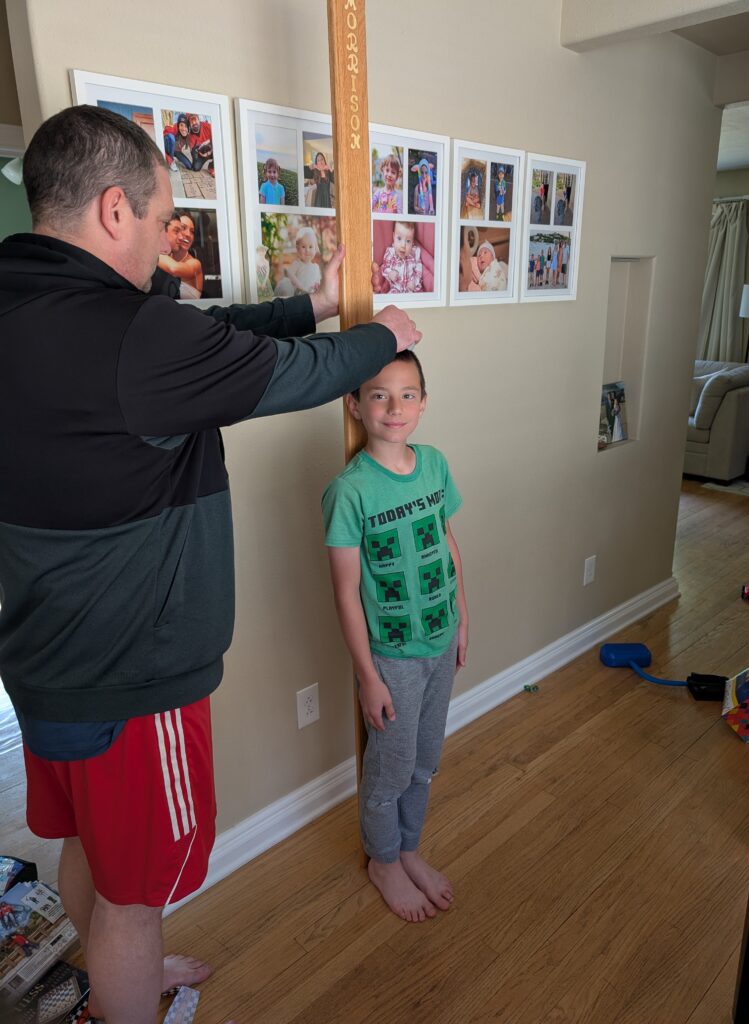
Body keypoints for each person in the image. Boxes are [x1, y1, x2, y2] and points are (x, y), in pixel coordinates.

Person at [0, 103, 421, 1024]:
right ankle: (130, 980)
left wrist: (309, 305)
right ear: (114, 210)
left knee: (87, 846)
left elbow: (206, 333)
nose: (163, 239)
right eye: (159, 218)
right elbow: (297, 374)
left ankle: (126, 975)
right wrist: (380, 333)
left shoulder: (25, 301)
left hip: (40, 661)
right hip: (131, 679)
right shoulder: (131, 340)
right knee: (135, 901)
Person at [321, 350, 469, 923]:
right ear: (354, 405)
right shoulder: (350, 491)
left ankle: (408, 850)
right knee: (391, 769)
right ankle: (382, 862)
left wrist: (463, 619)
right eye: (379, 395)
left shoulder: (434, 465)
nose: (394, 407)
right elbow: (345, 593)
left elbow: (447, 542)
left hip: (441, 641)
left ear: (423, 403)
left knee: (425, 761)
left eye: (407, 394)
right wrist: (368, 677)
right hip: (394, 661)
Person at [157, 211, 203, 297]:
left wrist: (151, 253)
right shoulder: (165, 259)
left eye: (192, 231)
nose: (188, 234)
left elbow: (174, 268)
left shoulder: (195, 263)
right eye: (182, 228)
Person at [274, 225, 321, 297]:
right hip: (300, 294)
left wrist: (317, 288)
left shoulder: (316, 267)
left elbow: (318, 282)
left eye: (310, 247)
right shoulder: (298, 263)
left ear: (315, 248)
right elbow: (290, 273)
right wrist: (301, 287)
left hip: (311, 296)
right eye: (303, 247)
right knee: (287, 285)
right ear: (297, 249)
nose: (307, 250)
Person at [380, 221, 423, 294]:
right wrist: (390, 273)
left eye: (408, 241)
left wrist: (414, 282)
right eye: (399, 238)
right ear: (393, 236)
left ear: (412, 242)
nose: (403, 245)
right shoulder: (390, 252)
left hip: (410, 289)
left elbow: (418, 271)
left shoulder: (414, 253)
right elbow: (384, 267)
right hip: (395, 288)